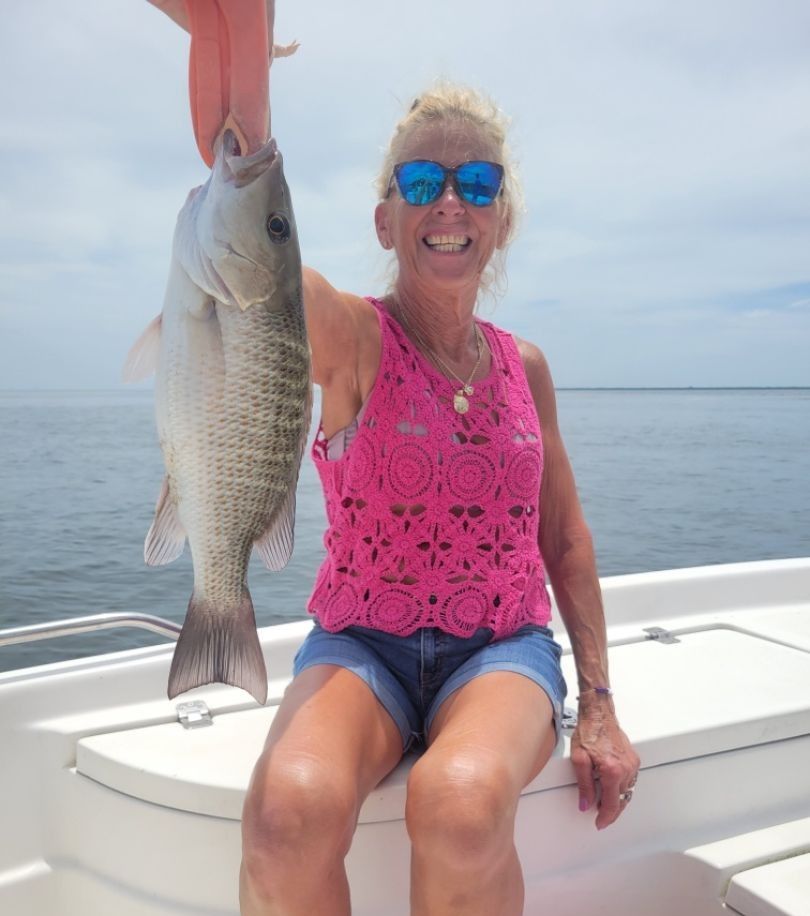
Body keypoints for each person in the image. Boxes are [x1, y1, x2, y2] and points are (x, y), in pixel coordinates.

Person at [238, 84, 641, 915]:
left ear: (499, 219)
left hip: (500, 648)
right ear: (387, 221)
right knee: (287, 816)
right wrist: (243, 109)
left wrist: (598, 704)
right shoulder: (353, 337)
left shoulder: (525, 368)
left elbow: (562, 537)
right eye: (421, 181)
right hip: (361, 645)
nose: (449, 201)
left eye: (477, 184)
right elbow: (263, 265)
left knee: (458, 806)